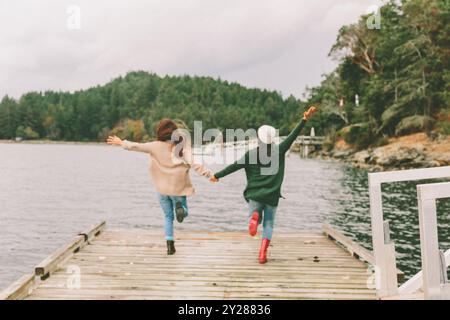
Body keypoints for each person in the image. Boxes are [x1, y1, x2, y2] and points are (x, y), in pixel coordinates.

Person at [210, 106, 317, 264]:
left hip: (255, 195)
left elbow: (234, 166)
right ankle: (262, 253)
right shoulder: (279, 150)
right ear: (272, 139)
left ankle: (255, 218)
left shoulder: (251, 154)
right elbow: (293, 136)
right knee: (269, 224)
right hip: (272, 195)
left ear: (258, 138)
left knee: (256, 218)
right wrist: (304, 119)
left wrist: (217, 175)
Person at [107, 119, 212, 255]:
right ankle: (182, 209)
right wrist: (209, 175)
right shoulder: (181, 147)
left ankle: (170, 246)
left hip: (162, 190)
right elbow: (195, 164)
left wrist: (121, 142)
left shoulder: (154, 146)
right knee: (182, 212)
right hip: (178, 190)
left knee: (168, 217)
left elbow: (136, 146)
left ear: (160, 132)